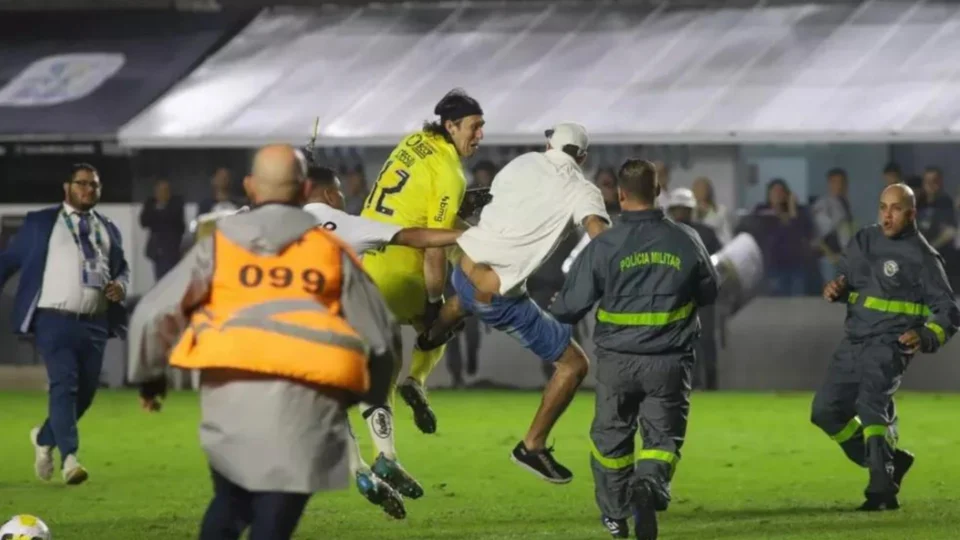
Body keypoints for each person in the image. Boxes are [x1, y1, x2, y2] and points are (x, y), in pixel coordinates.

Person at [127, 144, 401, 540]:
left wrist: (151, 379)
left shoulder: (220, 245)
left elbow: (153, 314)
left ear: (250, 187)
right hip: (304, 407)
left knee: (230, 504)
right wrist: (367, 395)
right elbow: (381, 339)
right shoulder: (330, 252)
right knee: (275, 518)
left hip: (230, 402)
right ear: (305, 189)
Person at [417, 122, 611, 483]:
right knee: (574, 366)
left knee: (462, 301)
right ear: (582, 157)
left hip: (464, 265)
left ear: (549, 144)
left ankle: (430, 336)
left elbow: (489, 201)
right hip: (495, 296)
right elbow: (601, 238)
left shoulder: (522, 162)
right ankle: (532, 446)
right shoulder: (584, 190)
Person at [550, 160, 718, 539]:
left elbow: (569, 307)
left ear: (621, 194)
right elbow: (710, 291)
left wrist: (555, 306)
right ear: (657, 191)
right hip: (669, 362)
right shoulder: (686, 238)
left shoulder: (604, 244)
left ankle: (616, 515)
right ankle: (648, 482)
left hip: (617, 364)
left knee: (611, 439)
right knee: (662, 440)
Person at [301, 164, 463, 517]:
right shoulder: (344, 223)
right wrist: (462, 234)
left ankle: (359, 471)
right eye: (339, 190)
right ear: (329, 194)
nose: (342, 196)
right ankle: (386, 455)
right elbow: (413, 236)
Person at [813, 183, 960, 511]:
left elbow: (949, 312)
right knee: (825, 411)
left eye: (895, 208)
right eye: (883, 207)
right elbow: (846, 278)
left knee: (871, 407)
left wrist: (926, 335)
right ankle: (890, 460)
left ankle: (881, 491)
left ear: (912, 214)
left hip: (890, 344)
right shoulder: (864, 239)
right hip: (854, 340)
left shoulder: (924, 257)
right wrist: (837, 288)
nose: (887, 215)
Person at [359, 88, 484, 447]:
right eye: (474, 126)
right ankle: (416, 380)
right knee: (444, 319)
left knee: (384, 362)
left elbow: (413, 200)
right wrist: (433, 302)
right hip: (401, 273)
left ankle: (385, 454)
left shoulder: (413, 141)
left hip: (365, 267)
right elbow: (434, 247)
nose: (480, 135)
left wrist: (457, 207)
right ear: (451, 126)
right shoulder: (450, 172)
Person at [0, 163, 129, 485]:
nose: (88, 189)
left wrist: (122, 285)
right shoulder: (41, 223)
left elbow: (122, 268)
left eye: (94, 185)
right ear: (67, 187)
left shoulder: (108, 228)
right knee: (64, 384)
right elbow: (7, 262)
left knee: (85, 394)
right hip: (53, 319)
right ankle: (70, 459)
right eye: (82, 183)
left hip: (95, 322)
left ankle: (44, 438)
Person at [665, 188, 723, 391]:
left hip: (700, 294)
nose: (680, 213)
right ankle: (690, 382)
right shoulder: (665, 234)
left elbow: (720, 259)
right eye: (677, 208)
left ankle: (711, 383)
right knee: (681, 341)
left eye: (684, 208)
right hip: (676, 295)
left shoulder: (706, 232)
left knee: (705, 339)